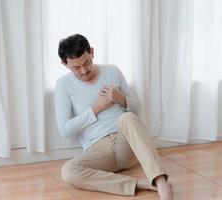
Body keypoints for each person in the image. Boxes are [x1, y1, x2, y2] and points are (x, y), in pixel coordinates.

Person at [54, 34, 173, 200]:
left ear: (92, 52)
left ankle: (161, 183)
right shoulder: (63, 86)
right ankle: (141, 184)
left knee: (127, 118)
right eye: (76, 67)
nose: (84, 70)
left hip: (126, 143)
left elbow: (137, 108)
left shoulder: (112, 71)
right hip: (98, 150)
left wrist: (121, 99)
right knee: (68, 171)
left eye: (86, 62)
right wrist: (95, 109)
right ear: (65, 64)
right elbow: (65, 130)